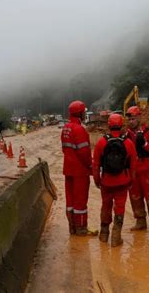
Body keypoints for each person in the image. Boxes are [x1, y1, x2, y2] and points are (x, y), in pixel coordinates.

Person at [93, 113, 137, 247]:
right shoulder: (128, 143)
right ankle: (116, 237)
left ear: (109, 125)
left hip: (106, 182)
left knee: (106, 206)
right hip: (122, 182)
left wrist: (97, 180)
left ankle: (104, 234)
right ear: (122, 125)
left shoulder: (101, 142)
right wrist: (131, 181)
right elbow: (133, 166)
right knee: (120, 207)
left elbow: (96, 164)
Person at [125, 106, 149, 235]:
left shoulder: (148, 134)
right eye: (129, 119)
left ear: (139, 118)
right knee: (135, 197)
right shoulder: (127, 135)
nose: (131, 121)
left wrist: (145, 145)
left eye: (133, 119)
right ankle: (140, 221)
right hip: (133, 171)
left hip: (147, 171)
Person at [61, 100, 95, 236]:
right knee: (80, 201)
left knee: (70, 200)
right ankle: (81, 228)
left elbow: (64, 149)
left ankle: (72, 228)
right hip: (80, 171)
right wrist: (91, 166)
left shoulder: (65, 128)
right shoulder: (79, 130)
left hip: (68, 169)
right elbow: (84, 153)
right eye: (83, 112)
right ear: (80, 113)